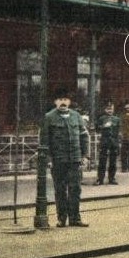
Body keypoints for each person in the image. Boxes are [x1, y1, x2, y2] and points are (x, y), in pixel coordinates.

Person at [40, 88, 90, 227]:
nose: (63, 102)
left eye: (65, 100)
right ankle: (62, 218)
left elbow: (84, 137)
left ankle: (75, 218)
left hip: (75, 159)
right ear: (55, 102)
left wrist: (85, 156)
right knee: (60, 190)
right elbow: (45, 141)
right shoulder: (49, 117)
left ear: (69, 101)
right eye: (60, 100)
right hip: (58, 161)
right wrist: (49, 160)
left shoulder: (76, 116)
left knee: (75, 189)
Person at [94, 101, 120, 185]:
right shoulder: (101, 118)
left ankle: (112, 178)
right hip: (104, 141)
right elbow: (97, 129)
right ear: (105, 110)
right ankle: (100, 179)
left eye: (111, 109)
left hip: (114, 142)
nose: (110, 111)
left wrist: (119, 142)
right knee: (102, 161)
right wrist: (104, 126)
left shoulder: (117, 119)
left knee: (113, 161)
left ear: (113, 109)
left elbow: (119, 131)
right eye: (108, 109)